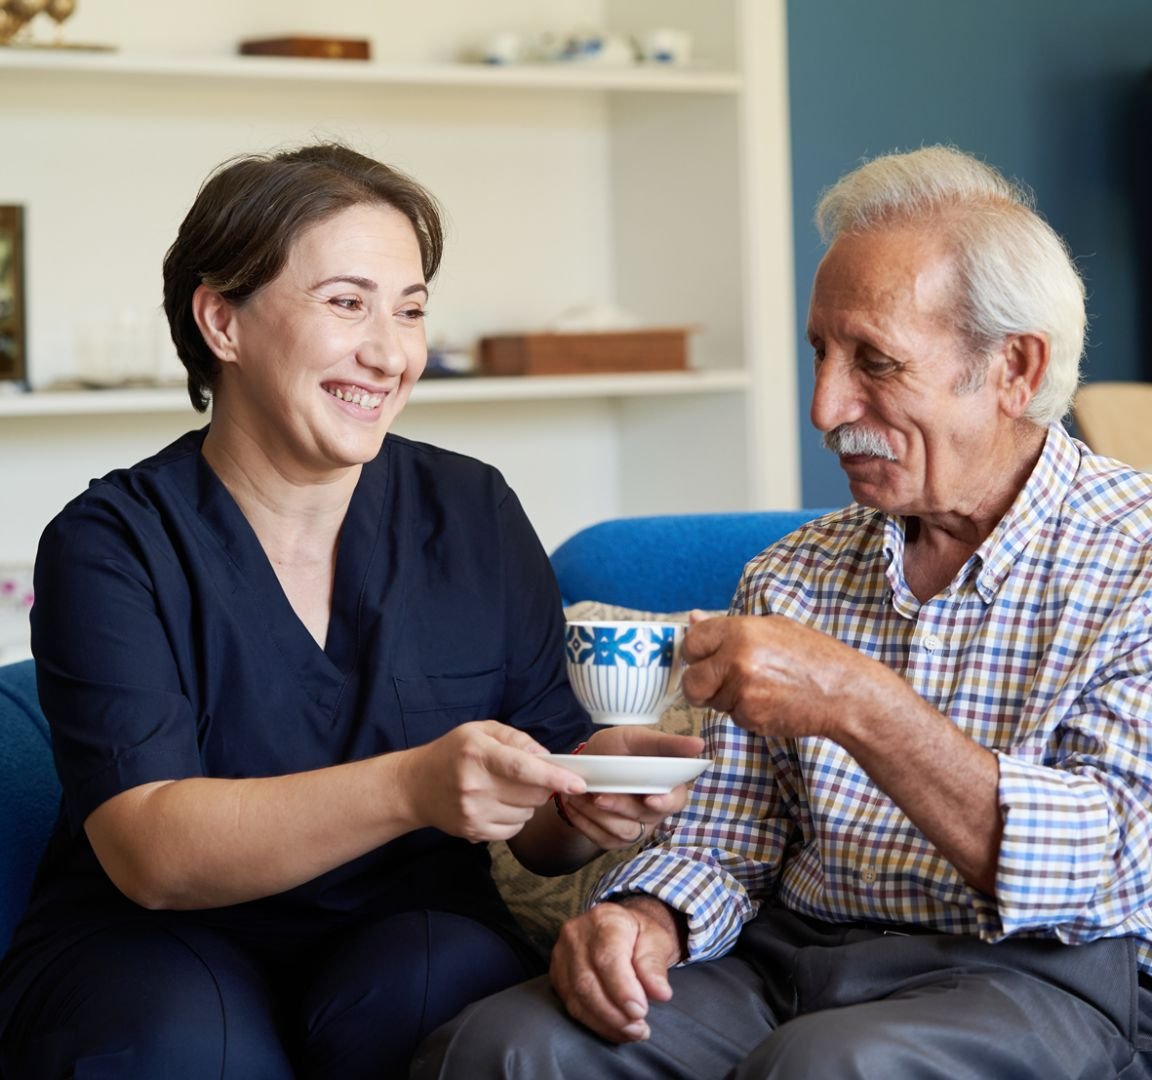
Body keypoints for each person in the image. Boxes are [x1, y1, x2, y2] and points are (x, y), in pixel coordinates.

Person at [412, 144, 1152, 1079]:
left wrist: (860, 700)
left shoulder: (1137, 561)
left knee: (827, 1068)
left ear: (1013, 367)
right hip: (787, 957)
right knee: (506, 1046)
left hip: (1038, 975)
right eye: (821, 353)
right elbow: (725, 838)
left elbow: (1116, 865)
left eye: (874, 361)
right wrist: (644, 919)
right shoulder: (792, 574)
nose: (825, 406)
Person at [0, 143, 703, 1079]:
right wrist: (410, 785)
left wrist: (587, 797)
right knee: (187, 1041)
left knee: (449, 994)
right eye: (346, 303)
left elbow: (537, 836)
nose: (391, 351)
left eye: (410, 310)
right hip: (154, 941)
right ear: (222, 320)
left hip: (404, 932)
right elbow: (150, 852)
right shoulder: (111, 542)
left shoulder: (474, 513)